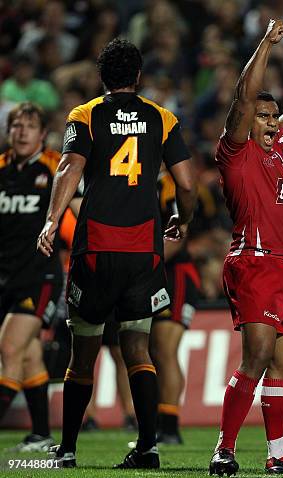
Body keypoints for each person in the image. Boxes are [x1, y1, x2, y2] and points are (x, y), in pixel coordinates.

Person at [37, 38, 196, 469]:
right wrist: (184, 218)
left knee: (82, 353)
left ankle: (67, 450)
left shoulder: (85, 114)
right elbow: (186, 182)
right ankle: (148, 447)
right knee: (138, 351)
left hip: (96, 249)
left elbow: (69, 167)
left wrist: (52, 219)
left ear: (101, 77)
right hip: (143, 249)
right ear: (139, 76)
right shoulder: (162, 118)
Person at [209, 19, 283, 476]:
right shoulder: (235, 152)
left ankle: (278, 456)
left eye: (270, 116)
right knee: (256, 355)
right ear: (245, 120)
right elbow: (243, 96)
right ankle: (225, 448)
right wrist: (266, 45)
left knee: (282, 362)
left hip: (280, 267)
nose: (269, 121)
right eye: (261, 115)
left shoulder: (277, 147)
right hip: (251, 262)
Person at [0, 102, 78, 452]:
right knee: (29, 354)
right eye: (16, 125)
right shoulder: (0, 168)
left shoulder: (54, 166)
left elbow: (80, 210)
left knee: (9, 346)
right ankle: (42, 435)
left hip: (40, 275)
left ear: (42, 133)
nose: (21, 131)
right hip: (5, 276)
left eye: (29, 125)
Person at [150, 165, 201, 444]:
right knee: (156, 351)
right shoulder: (142, 181)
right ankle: (160, 422)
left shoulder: (168, 184)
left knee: (165, 349)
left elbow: (177, 234)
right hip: (157, 274)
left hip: (175, 274)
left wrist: (145, 265)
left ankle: (169, 427)